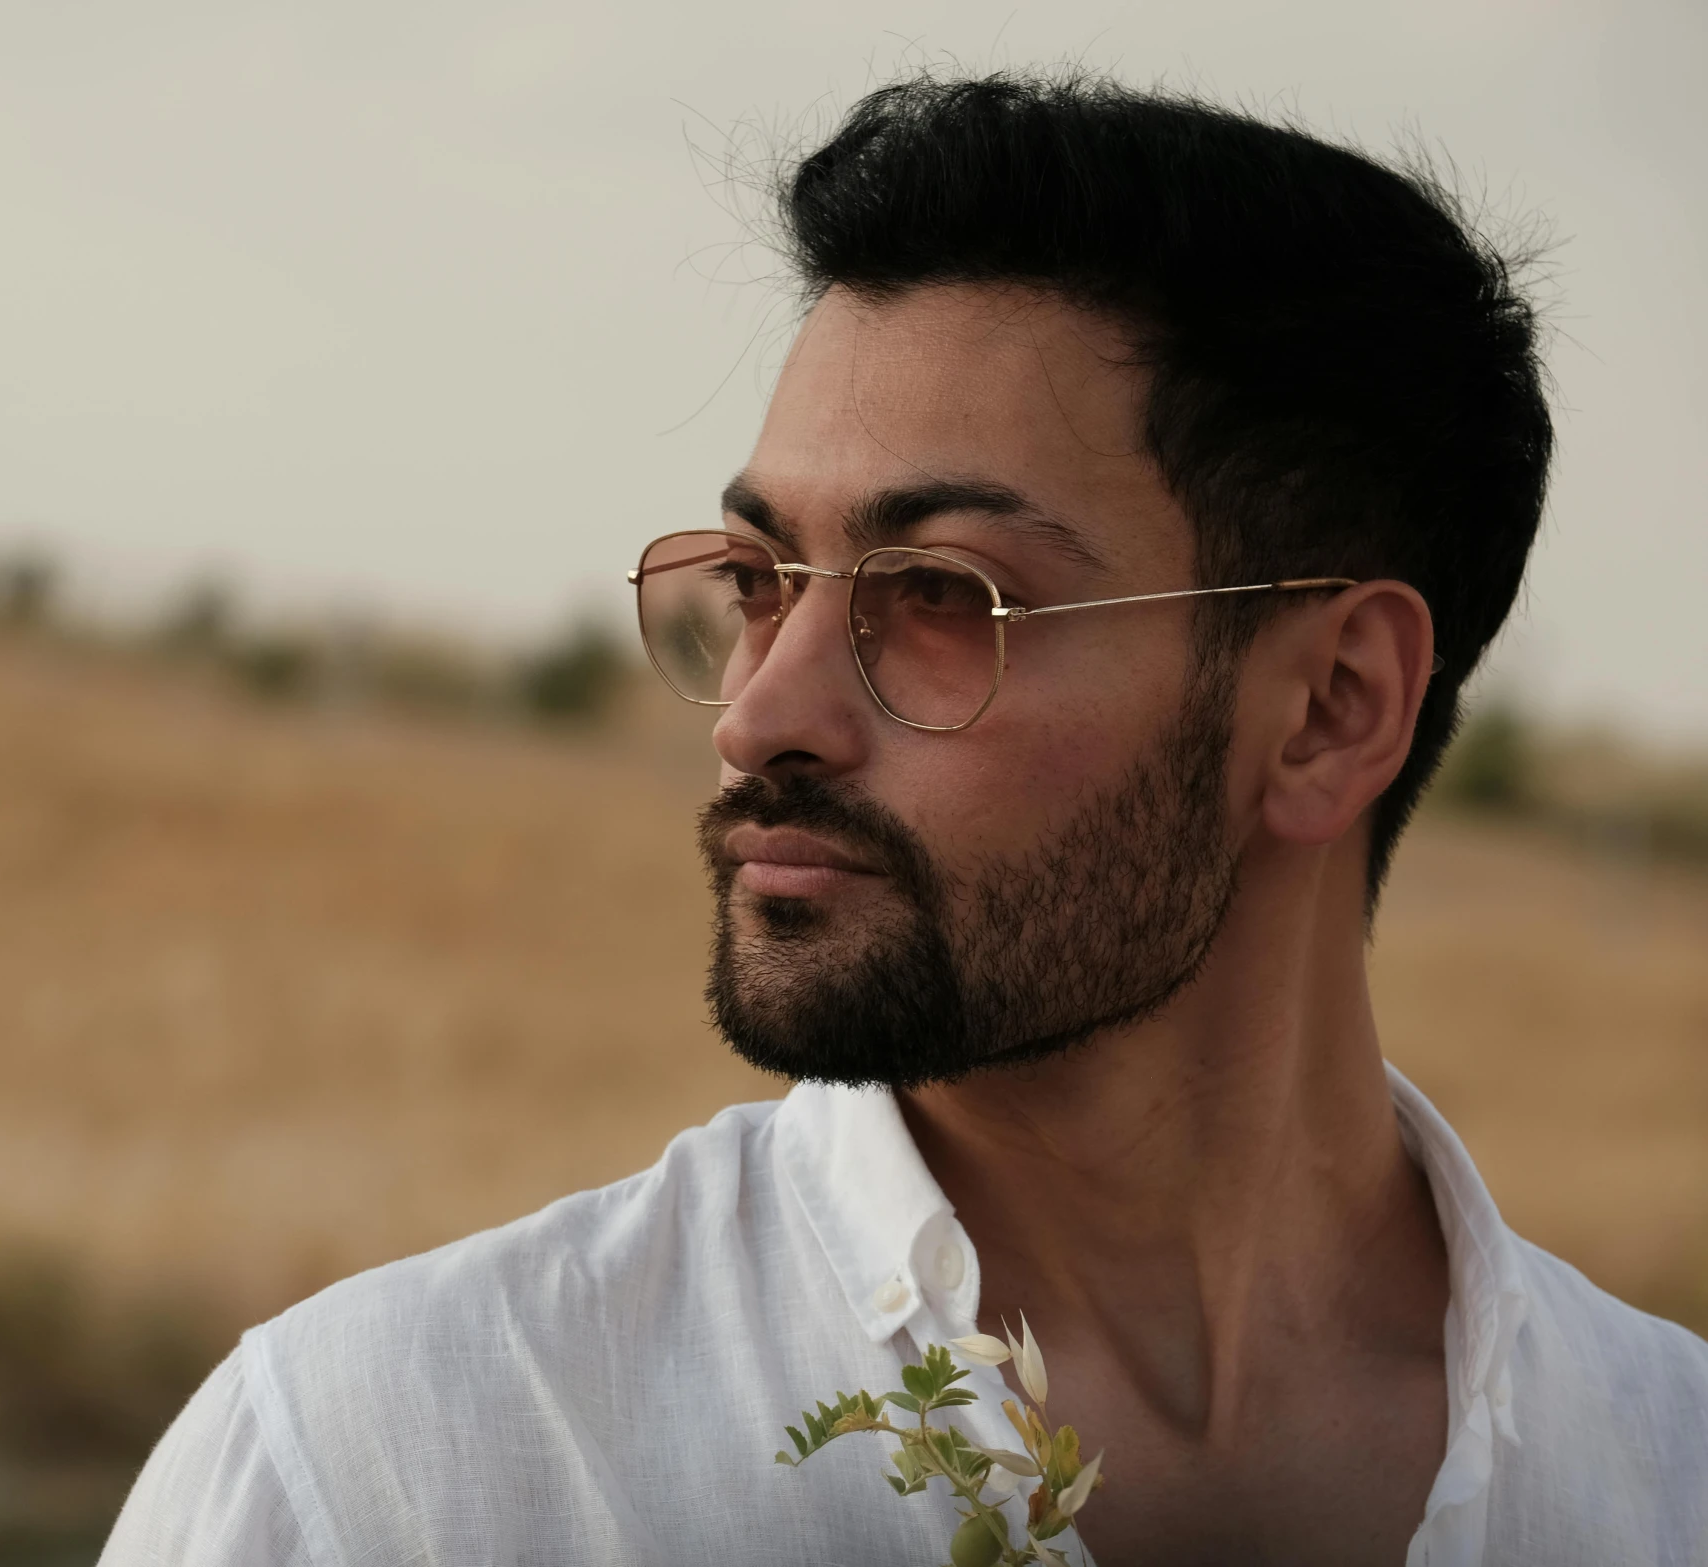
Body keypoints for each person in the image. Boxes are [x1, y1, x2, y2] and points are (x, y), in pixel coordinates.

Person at [101, 73, 1708, 1566]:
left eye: (942, 594)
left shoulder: (1668, 1471)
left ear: (1332, 704)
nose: (758, 713)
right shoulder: (401, 1471)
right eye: (756, 582)